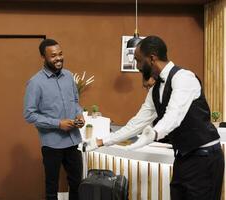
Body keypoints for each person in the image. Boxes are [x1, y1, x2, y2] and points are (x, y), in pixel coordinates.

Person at [85, 36, 224, 200]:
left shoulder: (184, 78)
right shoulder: (155, 89)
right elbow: (137, 123)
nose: (137, 66)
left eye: (138, 60)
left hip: (205, 158)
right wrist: (103, 141)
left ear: (151, 58)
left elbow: (174, 115)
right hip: (182, 158)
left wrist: (154, 133)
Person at [24, 39, 85, 200]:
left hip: (73, 141)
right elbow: (29, 114)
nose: (58, 58)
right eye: (53, 56)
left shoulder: (69, 76)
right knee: (52, 188)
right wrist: (58, 123)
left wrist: (79, 115)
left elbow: (76, 102)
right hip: (52, 145)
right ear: (43, 58)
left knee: (77, 184)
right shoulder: (35, 83)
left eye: (60, 54)